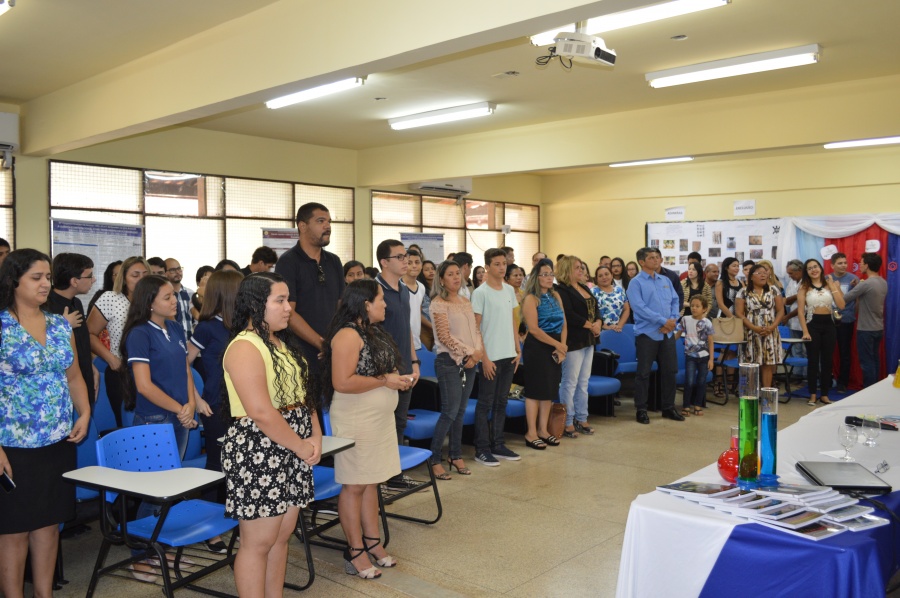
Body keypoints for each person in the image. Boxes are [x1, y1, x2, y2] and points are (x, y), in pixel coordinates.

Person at [221, 273, 321, 594]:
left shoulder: (281, 342)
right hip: (259, 449)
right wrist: (301, 446)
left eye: (287, 299)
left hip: (292, 445)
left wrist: (315, 436)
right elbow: (262, 412)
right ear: (255, 304)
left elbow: (305, 396)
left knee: (281, 536)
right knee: (258, 542)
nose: (288, 307)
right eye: (279, 300)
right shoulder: (244, 347)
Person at [0, 249, 90, 598]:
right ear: (14, 280)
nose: (45, 284)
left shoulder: (57, 324)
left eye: (48, 277)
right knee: (13, 530)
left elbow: (74, 376)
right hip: (13, 446)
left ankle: (44, 594)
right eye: (37, 277)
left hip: (56, 441)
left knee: (49, 525)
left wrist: (83, 412)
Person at [322, 280, 406, 580]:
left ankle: (373, 542)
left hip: (378, 421)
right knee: (355, 484)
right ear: (366, 303)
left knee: (372, 481)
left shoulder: (373, 330)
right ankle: (355, 549)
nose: (385, 304)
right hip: (357, 419)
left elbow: (380, 367)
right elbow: (342, 382)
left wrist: (396, 378)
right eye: (381, 299)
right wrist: (386, 382)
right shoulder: (347, 335)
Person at [187, 270, 243, 513]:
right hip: (216, 404)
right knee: (216, 463)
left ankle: (236, 512)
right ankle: (209, 522)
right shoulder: (207, 327)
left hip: (242, 404)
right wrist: (196, 399)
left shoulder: (242, 326)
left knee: (240, 461)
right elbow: (183, 365)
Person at [274, 202, 345, 369]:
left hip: (333, 350)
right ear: (302, 226)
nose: (327, 226)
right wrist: (321, 343)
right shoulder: (288, 262)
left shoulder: (334, 261)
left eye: (329, 222)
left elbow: (341, 306)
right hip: (301, 354)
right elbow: (288, 312)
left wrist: (339, 341)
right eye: (321, 221)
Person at [428, 260, 483, 477]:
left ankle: (456, 454)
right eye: (450, 274)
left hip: (470, 360)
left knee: (460, 411)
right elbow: (443, 337)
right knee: (449, 411)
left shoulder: (465, 301)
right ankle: (434, 459)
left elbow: (476, 331)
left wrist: (476, 353)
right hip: (448, 361)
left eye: (457, 273)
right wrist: (468, 352)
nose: (455, 277)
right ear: (441, 279)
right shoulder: (438, 303)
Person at [471, 249, 521, 466]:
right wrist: (485, 358)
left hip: (509, 354)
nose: (502, 268)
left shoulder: (509, 290)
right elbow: (476, 328)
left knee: (502, 402)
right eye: (497, 264)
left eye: (504, 264)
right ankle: (481, 448)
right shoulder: (480, 293)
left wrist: (517, 349)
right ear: (488, 267)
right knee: (485, 404)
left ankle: (498, 444)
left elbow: (513, 321)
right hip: (490, 357)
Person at [87, 256, 150, 427]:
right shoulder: (111, 298)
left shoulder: (156, 300)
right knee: (129, 428)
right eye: (135, 275)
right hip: (122, 373)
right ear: (123, 278)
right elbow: (89, 333)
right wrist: (111, 359)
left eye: (145, 274)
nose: (141, 279)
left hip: (154, 372)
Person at [626, 247, 683, 425]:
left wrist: (672, 321)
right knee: (643, 373)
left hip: (667, 333)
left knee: (670, 371)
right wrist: (662, 321)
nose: (656, 260)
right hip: (647, 334)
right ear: (642, 262)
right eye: (651, 257)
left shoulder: (665, 279)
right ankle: (641, 409)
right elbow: (639, 308)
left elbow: (675, 300)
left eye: (657, 257)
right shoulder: (635, 283)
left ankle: (668, 407)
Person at [374, 240, 420, 444]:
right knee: (383, 425)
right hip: (383, 370)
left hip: (405, 367)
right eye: (399, 257)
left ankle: (397, 472)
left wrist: (414, 362)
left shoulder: (403, 289)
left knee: (400, 422)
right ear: (384, 262)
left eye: (406, 256)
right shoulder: (375, 290)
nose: (406, 261)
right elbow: (369, 334)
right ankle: (385, 473)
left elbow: (406, 328)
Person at [520, 258, 567, 449]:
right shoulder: (531, 298)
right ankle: (531, 433)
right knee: (534, 391)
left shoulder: (556, 296)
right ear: (536, 278)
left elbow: (564, 323)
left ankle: (543, 430)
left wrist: (562, 346)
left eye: (551, 274)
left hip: (556, 347)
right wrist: (558, 344)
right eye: (544, 275)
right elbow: (534, 329)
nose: (549, 278)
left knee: (549, 390)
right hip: (537, 348)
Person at [556, 256, 601, 438]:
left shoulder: (583, 287)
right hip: (573, 340)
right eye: (577, 268)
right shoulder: (561, 290)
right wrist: (591, 325)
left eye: (581, 267)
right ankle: (567, 421)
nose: (581, 271)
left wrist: (598, 321)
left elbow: (596, 308)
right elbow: (568, 314)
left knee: (583, 382)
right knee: (570, 382)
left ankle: (582, 418)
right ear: (567, 270)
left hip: (589, 338)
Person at [48, 252, 97, 403]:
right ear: (74, 281)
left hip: (84, 377)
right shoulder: (46, 306)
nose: (93, 280)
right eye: (89, 276)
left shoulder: (76, 303)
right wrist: (62, 325)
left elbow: (82, 342)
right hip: (63, 390)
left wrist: (91, 367)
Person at [797, 258, 845, 406]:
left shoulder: (830, 284)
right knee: (813, 361)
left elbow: (841, 305)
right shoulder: (804, 287)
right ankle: (812, 394)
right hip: (812, 325)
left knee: (827, 361)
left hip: (829, 325)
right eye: (810, 268)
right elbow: (800, 312)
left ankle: (824, 394)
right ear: (807, 272)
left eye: (815, 266)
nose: (813, 270)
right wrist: (805, 331)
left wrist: (833, 286)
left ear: (820, 268)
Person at [841, 253, 887, 388]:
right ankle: (875, 388)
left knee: (866, 362)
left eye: (861, 263)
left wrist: (834, 287)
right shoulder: (882, 281)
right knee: (874, 360)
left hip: (866, 329)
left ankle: (868, 390)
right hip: (878, 327)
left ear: (867, 265)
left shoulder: (866, 283)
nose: (859, 265)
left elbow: (844, 299)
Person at [735, 264, 784, 388]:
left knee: (768, 363)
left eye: (765, 272)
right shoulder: (743, 292)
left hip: (770, 331)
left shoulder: (774, 290)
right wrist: (754, 327)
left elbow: (780, 311)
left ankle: (766, 393)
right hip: (750, 331)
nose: (763, 275)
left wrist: (772, 327)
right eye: (759, 273)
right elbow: (739, 313)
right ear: (751, 277)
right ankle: (752, 393)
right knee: (751, 363)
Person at [675, 295, 714, 416]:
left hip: (704, 357)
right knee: (689, 381)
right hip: (690, 356)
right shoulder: (685, 319)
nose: (694, 308)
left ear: (704, 309)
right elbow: (677, 334)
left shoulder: (707, 322)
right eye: (692, 306)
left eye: (697, 306)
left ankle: (698, 405)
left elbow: (711, 341)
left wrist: (711, 359)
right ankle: (686, 405)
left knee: (701, 382)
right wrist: (669, 342)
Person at [829, 252, 859, 392]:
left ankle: (843, 383)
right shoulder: (827, 279)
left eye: (845, 263)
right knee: (826, 351)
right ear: (832, 265)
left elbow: (857, 300)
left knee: (844, 352)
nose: (843, 265)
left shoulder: (854, 279)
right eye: (840, 263)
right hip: (829, 320)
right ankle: (827, 380)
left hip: (846, 320)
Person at [781, 260, 807, 379]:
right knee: (796, 349)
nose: (789, 276)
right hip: (793, 323)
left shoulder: (807, 282)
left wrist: (787, 316)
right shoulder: (791, 283)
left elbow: (803, 306)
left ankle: (807, 375)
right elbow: (787, 301)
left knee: (806, 350)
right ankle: (797, 374)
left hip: (805, 322)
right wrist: (798, 295)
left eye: (791, 273)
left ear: (800, 271)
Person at [592, 265, 630, 332]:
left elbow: (626, 309)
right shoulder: (592, 292)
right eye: (600, 276)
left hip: (617, 329)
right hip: (599, 331)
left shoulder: (619, 290)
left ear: (612, 275)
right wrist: (605, 327)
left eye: (606, 274)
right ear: (596, 279)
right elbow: (591, 314)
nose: (604, 277)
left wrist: (619, 326)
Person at [164, 257, 194, 339]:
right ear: (164, 273)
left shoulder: (191, 294)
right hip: (172, 340)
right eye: (173, 270)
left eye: (179, 269)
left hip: (190, 341)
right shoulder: (163, 296)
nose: (177, 272)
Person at [403, 249, 425, 350]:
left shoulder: (421, 287)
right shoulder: (397, 286)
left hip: (416, 341)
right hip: (401, 341)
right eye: (409, 263)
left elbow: (418, 312)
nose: (414, 266)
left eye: (417, 262)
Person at [418, 259, 436, 350]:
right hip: (425, 329)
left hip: (439, 329)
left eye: (432, 268)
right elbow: (418, 314)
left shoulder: (439, 290)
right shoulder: (420, 289)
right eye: (427, 269)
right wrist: (431, 326)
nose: (431, 271)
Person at [504, 263, 527, 334]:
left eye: (521, 275)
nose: (519, 278)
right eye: (515, 275)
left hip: (526, 333)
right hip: (510, 333)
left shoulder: (524, 294)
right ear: (507, 278)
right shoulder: (504, 295)